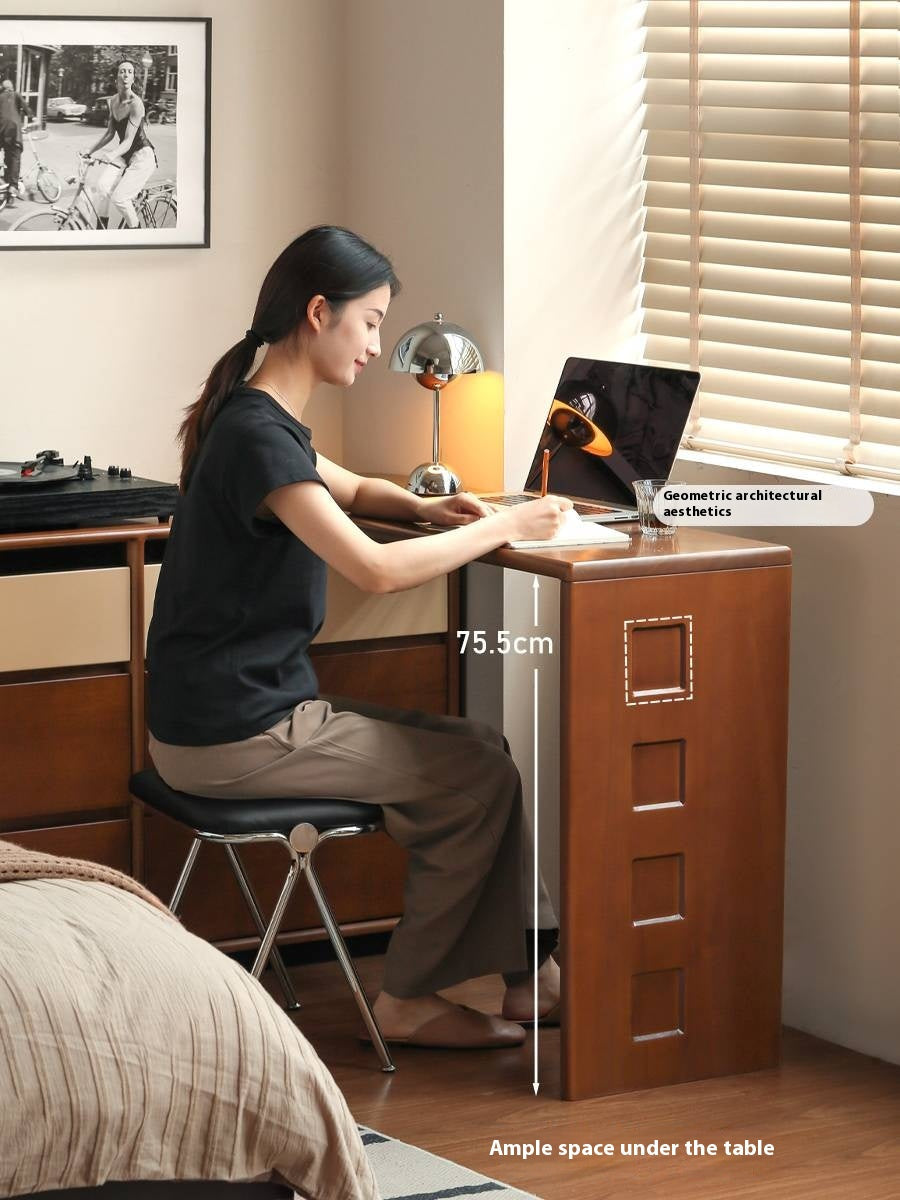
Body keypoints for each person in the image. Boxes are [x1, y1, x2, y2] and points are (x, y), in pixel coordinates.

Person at [146, 226, 570, 1050]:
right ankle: (410, 998)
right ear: (318, 313)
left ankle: (529, 975)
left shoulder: (257, 415)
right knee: (476, 778)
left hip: (231, 717)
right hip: (235, 736)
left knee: (479, 745)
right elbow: (374, 571)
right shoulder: (257, 438)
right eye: (371, 322)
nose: (378, 345)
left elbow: (349, 487)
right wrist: (510, 524)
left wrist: (426, 507)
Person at [84, 60, 157, 229]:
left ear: (133, 79)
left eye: (129, 72)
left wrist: (110, 154)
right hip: (125, 156)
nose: (125, 74)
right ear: (116, 77)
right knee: (102, 188)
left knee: (120, 198)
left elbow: (128, 141)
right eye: (122, 71)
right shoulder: (113, 102)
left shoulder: (136, 104)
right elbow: (110, 133)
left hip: (142, 156)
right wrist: (90, 150)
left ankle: (135, 234)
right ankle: (101, 232)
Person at [0, 79, 31, 209]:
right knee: (15, 160)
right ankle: (12, 188)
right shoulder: (16, 95)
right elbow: (25, 108)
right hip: (14, 133)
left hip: (2, 132)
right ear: (11, 87)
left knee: (7, 160)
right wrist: (32, 117)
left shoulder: (0, 97)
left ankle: (6, 186)